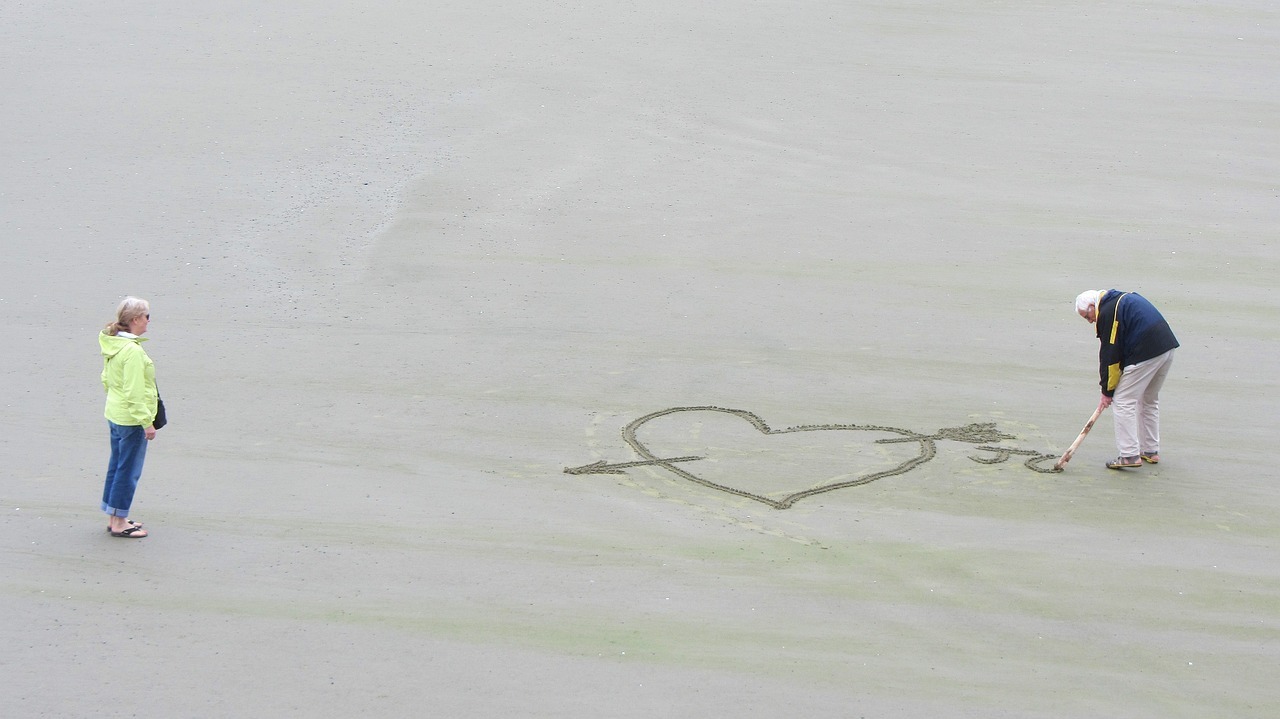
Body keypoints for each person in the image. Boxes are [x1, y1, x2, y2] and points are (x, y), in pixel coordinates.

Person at [1075, 289, 1179, 470]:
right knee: (1148, 399)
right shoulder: (1120, 300)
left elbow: (1110, 354)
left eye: (1087, 316)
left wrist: (1107, 391)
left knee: (1123, 401)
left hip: (1147, 351)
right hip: (1166, 347)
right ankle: (1150, 450)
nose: (1090, 321)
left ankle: (1129, 455)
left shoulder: (1107, 313)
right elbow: (1121, 347)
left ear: (1093, 306)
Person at [99, 296, 160, 537]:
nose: (148, 321)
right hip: (131, 419)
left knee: (117, 466)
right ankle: (120, 522)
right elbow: (134, 392)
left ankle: (114, 515)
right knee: (128, 470)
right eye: (147, 317)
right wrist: (147, 423)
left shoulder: (112, 343)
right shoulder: (132, 352)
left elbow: (106, 378)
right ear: (135, 320)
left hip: (114, 413)